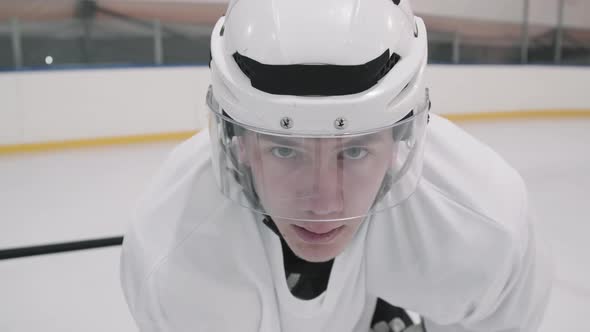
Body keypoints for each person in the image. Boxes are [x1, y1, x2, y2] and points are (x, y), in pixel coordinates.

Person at [120, 0, 552, 331]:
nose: (324, 202)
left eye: (356, 151)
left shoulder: (488, 233)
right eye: (285, 150)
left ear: (399, 140)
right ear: (240, 144)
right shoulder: (170, 262)